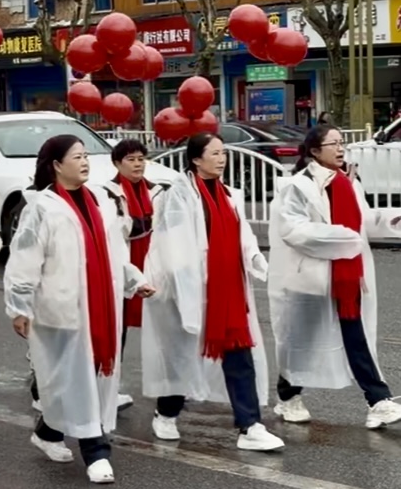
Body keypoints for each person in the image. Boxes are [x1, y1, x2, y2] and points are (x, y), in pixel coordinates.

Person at [5, 136, 154, 484]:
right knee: (74, 380)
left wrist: (133, 279)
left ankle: (48, 433)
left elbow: (114, 251)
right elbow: (24, 261)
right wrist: (19, 306)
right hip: (61, 308)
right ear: (57, 165)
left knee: (82, 379)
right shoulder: (41, 208)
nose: (85, 162)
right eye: (77, 157)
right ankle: (96, 452)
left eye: (86, 155)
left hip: (100, 304)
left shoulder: (100, 200)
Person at [142, 133, 283, 451]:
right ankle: (166, 412)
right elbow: (171, 246)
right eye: (215, 153)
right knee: (183, 355)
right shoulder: (178, 196)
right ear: (196, 159)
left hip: (228, 291)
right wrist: (187, 281)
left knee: (239, 354)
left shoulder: (228, 194)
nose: (222, 159)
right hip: (189, 290)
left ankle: (250, 425)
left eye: (224, 153)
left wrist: (255, 259)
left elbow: (242, 234)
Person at [268, 124, 401, 428]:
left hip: (348, 276)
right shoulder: (298, 186)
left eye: (342, 143)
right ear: (315, 151)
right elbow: (293, 230)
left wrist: (393, 218)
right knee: (301, 341)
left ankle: (378, 400)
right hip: (312, 278)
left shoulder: (348, 182)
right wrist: (342, 238)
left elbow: (363, 221)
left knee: (356, 338)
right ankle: (288, 397)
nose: (341, 149)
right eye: (334, 144)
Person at [99, 138, 164, 408]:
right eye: (131, 160)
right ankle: (108, 387)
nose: (138, 164)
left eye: (141, 159)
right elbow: (117, 231)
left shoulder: (157, 191)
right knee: (118, 329)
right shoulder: (108, 193)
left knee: (163, 326)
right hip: (124, 262)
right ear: (117, 163)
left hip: (153, 261)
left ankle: (170, 389)